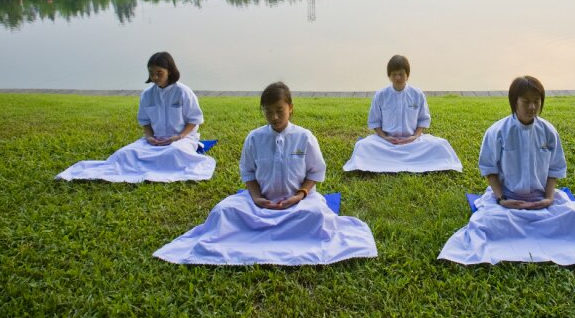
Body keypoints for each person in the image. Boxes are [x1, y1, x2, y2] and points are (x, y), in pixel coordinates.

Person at [438, 76, 575, 265]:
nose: (532, 107)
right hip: (508, 204)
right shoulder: (497, 132)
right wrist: (502, 198)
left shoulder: (548, 131)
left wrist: (548, 198)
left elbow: (555, 168)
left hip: (541, 202)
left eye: (537, 101)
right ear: (514, 102)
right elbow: (489, 169)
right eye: (526, 101)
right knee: (486, 224)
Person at [153, 82, 378, 266]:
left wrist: (299, 195)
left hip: (298, 204)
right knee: (223, 212)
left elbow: (316, 172)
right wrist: (257, 198)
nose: (275, 117)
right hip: (260, 204)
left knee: (319, 218)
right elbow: (248, 173)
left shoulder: (304, 137)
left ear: (291, 108)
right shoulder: (255, 138)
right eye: (269, 112)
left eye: (279, 111)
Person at [56, 51, 214, 182]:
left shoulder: (183, 92)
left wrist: (178, 137)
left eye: (160, 73)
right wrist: (150, 137)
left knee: (174, 154)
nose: (155, 77)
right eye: (152, 73)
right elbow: (145, 121)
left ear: (170, 71)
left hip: (181, 139)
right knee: (125, 154)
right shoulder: (147, 95)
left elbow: (194, 120)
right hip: (156, 140)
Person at [343, 55, 462, 173]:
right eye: (394, 74)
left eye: (401, 74)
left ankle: (388, 161)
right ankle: (404, 160)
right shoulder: (381, 95)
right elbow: (375, 121)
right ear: (389, 76)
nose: (398, 78)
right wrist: (385, 137)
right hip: (386, 144)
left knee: (441, 145)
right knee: (363, 146)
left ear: (407, 75)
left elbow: (423, 120)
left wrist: (415, 136)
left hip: (413, 143)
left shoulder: (417, 94)